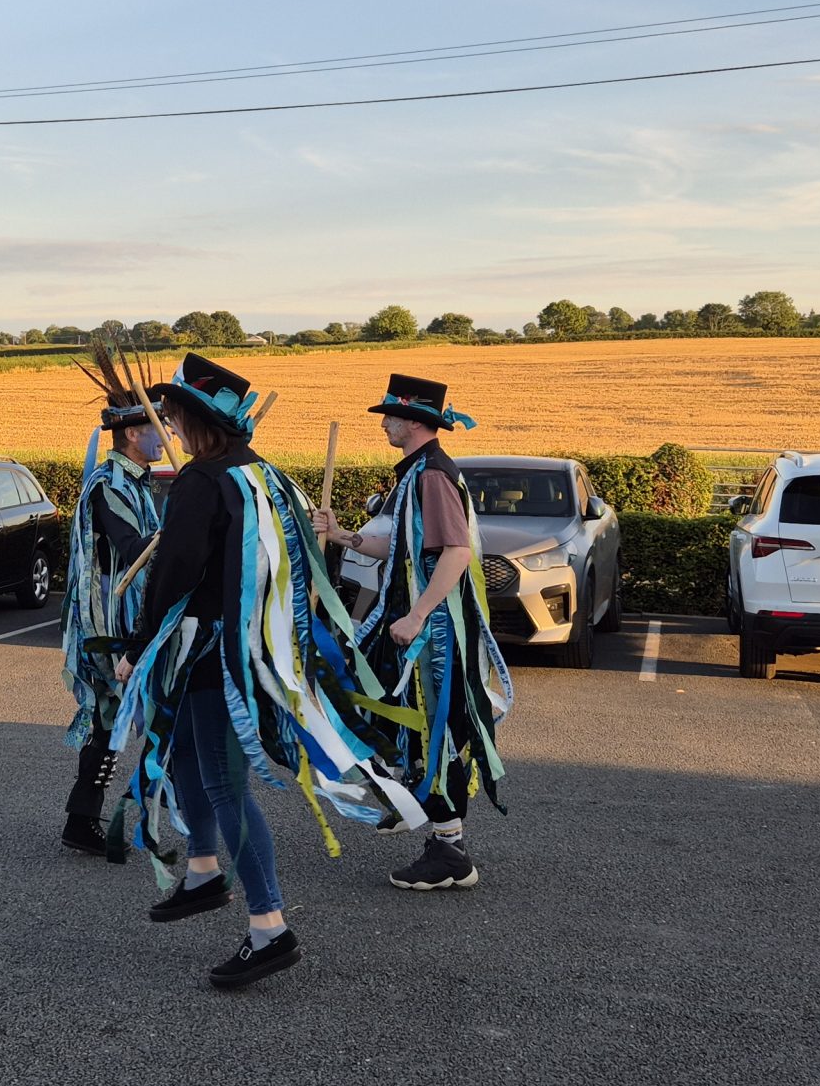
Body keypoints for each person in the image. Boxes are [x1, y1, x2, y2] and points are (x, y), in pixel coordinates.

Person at [112, 354, 419, 990]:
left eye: (173, 413)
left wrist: (139, 646)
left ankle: (269, 928)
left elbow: (173, 572)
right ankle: (204, 871)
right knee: (184, 752)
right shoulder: (263, 473)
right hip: (247, 645)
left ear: (194, 419)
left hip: (215, 652)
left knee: (226, 786)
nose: (168, 423)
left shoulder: (201, 481)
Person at [313, 374, 513, 892]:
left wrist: (418, 615)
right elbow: (405, 546)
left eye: (390, 416)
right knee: (405, 723)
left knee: (431, 730)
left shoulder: (432, 476)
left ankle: (449, 851)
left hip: (435, 638)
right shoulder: (418, 472)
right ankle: (423, 814)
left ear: (415, 421)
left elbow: (456, 553)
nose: (383, 424)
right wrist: (342, 535)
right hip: (422, 629)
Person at [59, 344, 168, 860]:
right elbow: (132, 549)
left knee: (113, 719)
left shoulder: (136, 483)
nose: (166, 435)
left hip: (128, 613)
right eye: (157, 426)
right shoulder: (109, 485)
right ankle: (86, 819)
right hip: (110, 618)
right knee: (110, 715)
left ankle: (84, 818)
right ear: (132, 433)